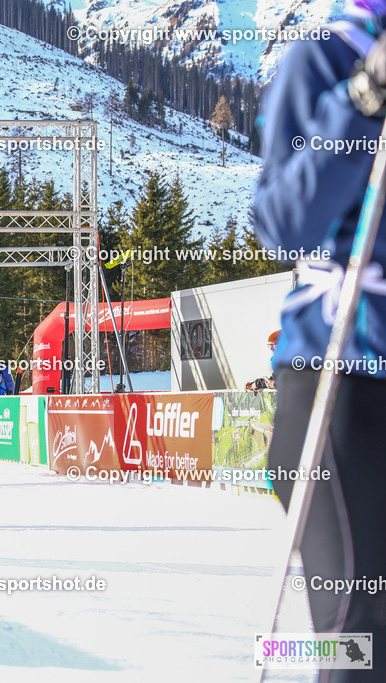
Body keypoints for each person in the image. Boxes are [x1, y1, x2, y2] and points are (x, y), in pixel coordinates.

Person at [253, 5, 386, 669]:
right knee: (362, 628)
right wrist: (362, 100)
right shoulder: (325, 52)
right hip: (341, 378)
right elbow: (283, 224)